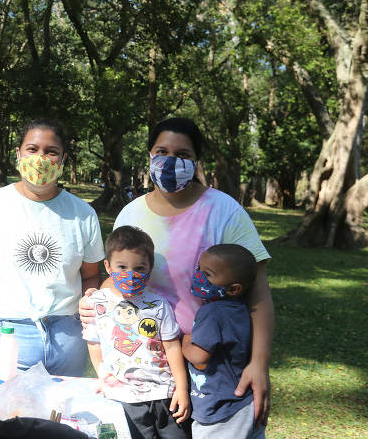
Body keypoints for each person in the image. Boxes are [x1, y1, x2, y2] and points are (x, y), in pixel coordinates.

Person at [80, 117, 274, 426]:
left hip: (213, 365)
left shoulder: (225, 211)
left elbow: (258, 292)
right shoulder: (131, 213)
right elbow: (120, 276)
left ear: (196, 161)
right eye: (162, 151)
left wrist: (259, 364)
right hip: (148, 368)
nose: (171, 162)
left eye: (183, 155)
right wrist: (95, 297)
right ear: (149, 156)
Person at [0, 118, 104, 377]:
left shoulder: (83, 214)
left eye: (51, 152)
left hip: (69, 330)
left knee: (66, 410)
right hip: (13, 330)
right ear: (18, 154)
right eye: (32, 149)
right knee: (14, 409)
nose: (41, 158)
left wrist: (90, 304)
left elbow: (91, 274)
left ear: (63, 158)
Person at [83, 226, 190, 439]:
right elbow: (93, 342)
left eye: (140, 268)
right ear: (108, 266)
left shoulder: (159, 305)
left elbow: (171, 346)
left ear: (150, 269)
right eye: (122, 267)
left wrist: (182, 388)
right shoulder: (97, 304)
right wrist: (103, 376)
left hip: (164, 395)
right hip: (123, 398)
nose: (130, 275)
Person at [182, 244, 266, 439]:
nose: (199, 277)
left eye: (208, 274)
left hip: (221, 410)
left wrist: (185, 341)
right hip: (244, 402)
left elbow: (199, 357)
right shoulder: (242, 309)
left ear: (234, 288)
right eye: (199, 270)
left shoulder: (212, 312)